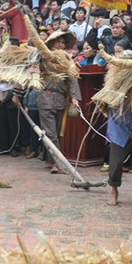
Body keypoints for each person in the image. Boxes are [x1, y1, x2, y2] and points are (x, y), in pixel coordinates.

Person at [34, 30, 81, 174]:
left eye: (62, 42)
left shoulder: (67, 59)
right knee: (50, 133)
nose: (60, 44)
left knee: (55, 133)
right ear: (52, 43)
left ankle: (49, 159)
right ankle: (56, 163)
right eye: (57, 42)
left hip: (60, 99)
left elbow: (72, 78)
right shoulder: (42, 57)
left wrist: (75, 98)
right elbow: (32, 69)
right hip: (46, 98)